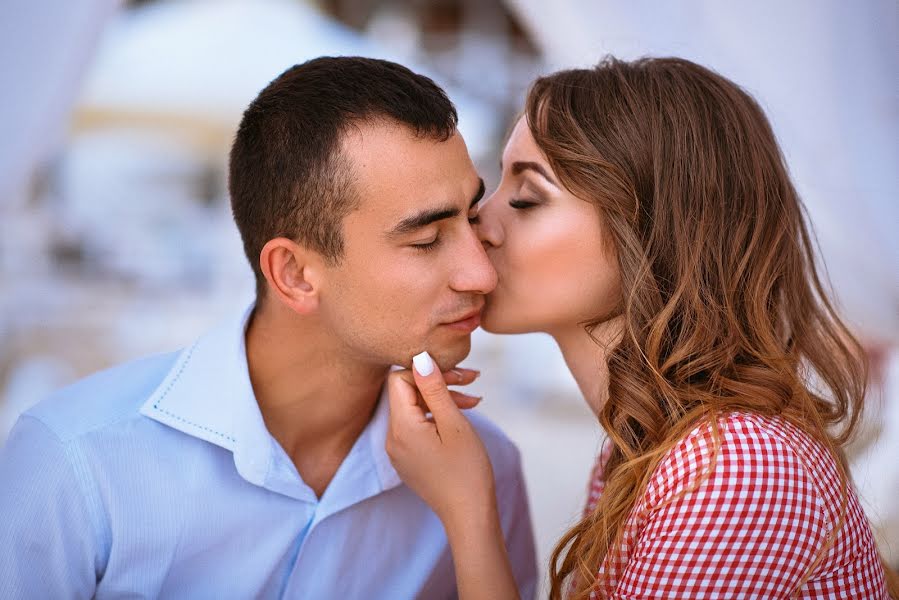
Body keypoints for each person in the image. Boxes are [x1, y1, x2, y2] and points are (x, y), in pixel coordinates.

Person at [0, 57, 538, 599]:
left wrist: (472, 518)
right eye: (426, 240)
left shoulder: (482, 470)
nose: (483, 273)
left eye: (471, 218)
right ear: (295, 274)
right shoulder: (73, 464)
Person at [386, 56, 897, 599]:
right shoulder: (646, 450)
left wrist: (468, 509)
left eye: (527, 199)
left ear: (655, 231)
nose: (479, 225)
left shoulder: (736, 470)